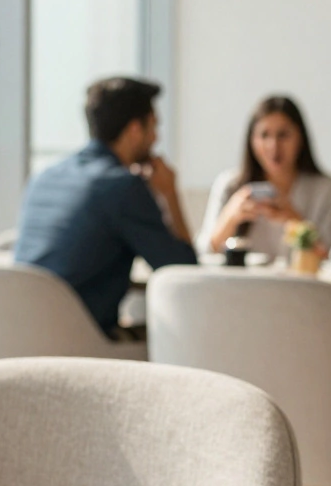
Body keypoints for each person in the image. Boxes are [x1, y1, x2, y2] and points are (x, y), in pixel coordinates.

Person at [14, 77, 197, 336]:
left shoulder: (44, 177)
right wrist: (170, 194)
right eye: (154, 126)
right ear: (135, 129)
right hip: (79, 342)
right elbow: (186, 275)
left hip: (21, 331)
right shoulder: (122, 186)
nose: (157, 137)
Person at [199, 95, 331, 258]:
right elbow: (201, 255)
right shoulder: (230, 185)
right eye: (264, 135)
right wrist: (230, 217)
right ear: (251, 140)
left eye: (283, 135)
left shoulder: (326, 190)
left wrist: (295, 221)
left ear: (300, 138)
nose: (273, 146)